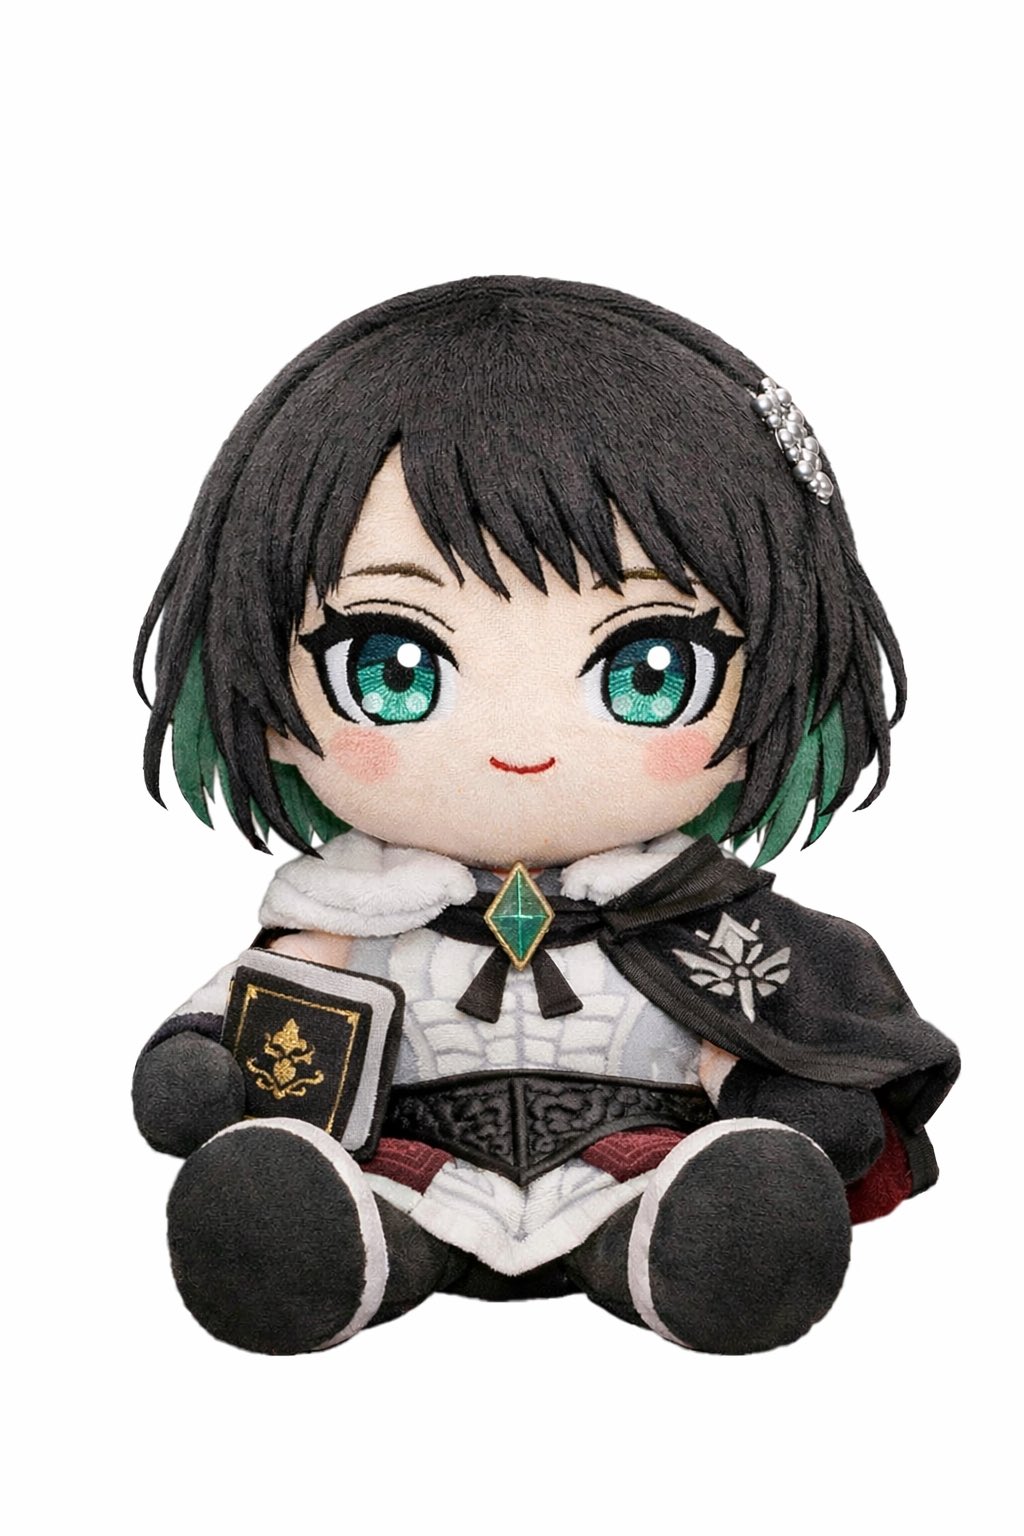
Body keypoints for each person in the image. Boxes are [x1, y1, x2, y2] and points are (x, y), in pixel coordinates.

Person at [133, 276, 958, 1355]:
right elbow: (246, 1020)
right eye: (392, 664)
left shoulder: (692, 916)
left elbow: (750, 1028)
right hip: (411, 1163)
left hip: (627, 1159)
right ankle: (333, 1246)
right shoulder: (349, 912)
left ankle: (689, 1248)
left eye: (649, 669)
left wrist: (772, 1087)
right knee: (338, 1197)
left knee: (694, 1196)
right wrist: (203, 1061)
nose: (522, 740)